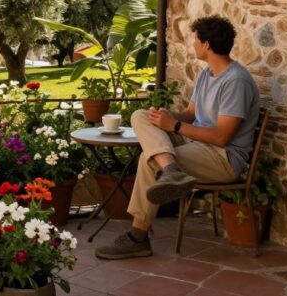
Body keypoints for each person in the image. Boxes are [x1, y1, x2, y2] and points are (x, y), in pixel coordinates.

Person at [95, 16, 260, 260]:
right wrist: (167, 116)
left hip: (222, 158)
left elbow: (222, 136)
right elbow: (192, 114)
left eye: (195, 40)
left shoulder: (236, 81)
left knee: (149, 160)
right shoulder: (207, 74)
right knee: (141, 115)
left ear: (206, 45)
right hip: (197, 144)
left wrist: (174, 125)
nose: (192, 44)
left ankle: (138, 237)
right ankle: (171, 168)